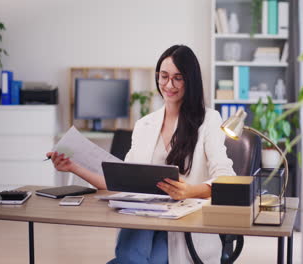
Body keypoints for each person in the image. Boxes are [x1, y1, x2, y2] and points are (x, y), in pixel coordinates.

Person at [47, 44, 235, 264]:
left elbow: (227, 178)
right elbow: (120, 182)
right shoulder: (145, 124)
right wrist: (73, 167)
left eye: (178, 78)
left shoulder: (209, 120)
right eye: (163, 76)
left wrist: (190, 191)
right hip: (144, 221)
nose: (168, 85)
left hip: (183, 228)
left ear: (190, 80)